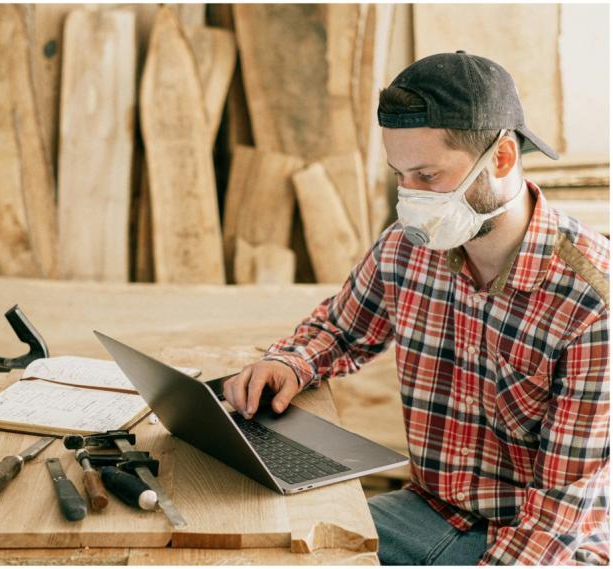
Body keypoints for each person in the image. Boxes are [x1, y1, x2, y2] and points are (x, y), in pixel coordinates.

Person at [223, 51, 609, 565]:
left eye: (427, 175)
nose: (410, 198)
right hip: (427, 510)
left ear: (501, 158)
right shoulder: (409, 247)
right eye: (399, 175)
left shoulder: (591, 303)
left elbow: (561, 511)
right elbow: (341, 331)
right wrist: (290, 362)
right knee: (273, 552)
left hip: (544, 541)